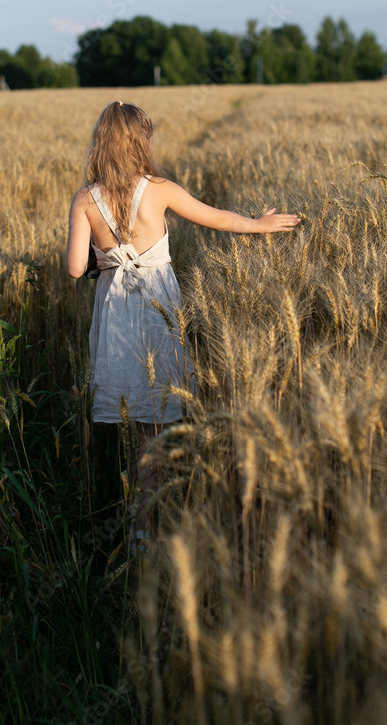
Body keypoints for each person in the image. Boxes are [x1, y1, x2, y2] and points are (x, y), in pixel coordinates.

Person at [65, 100, 301, 555]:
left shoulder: (85, 197)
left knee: (132, 417)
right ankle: (148, 529)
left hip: (114, 312)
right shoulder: (159, 189)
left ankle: (133, 527)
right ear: (141, 141)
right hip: (155, 309)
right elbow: (217, 219)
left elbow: (77, 269)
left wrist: (105, 258)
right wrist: (260, 224)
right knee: (156, 423)